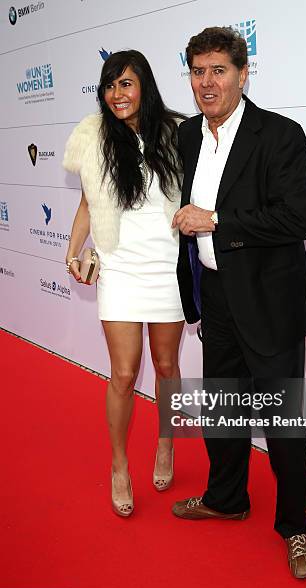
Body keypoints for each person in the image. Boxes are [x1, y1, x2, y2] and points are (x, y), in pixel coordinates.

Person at [171, 27, 306, 579]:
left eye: (218, 71)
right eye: (198, 71)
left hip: (270, 301)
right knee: (223, 409)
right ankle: (226, 497)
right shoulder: (187, 135)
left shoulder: (280, 135)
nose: (207, 83)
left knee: (282, 423)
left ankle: (296, 527)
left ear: (242, 73)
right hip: (218, 296)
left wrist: (216, 220)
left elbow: (295, 220)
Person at [63, 50, 185, 517]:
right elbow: (88, 205)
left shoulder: (174, 132)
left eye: (127, 84)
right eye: (111, 85)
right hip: (118, 266)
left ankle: (166, 443)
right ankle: (119, 467)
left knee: (168, 365)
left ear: (144, 86)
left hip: (167, 265)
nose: (118, 94)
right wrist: (72, 251)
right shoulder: (94, 138)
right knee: (124, 374)